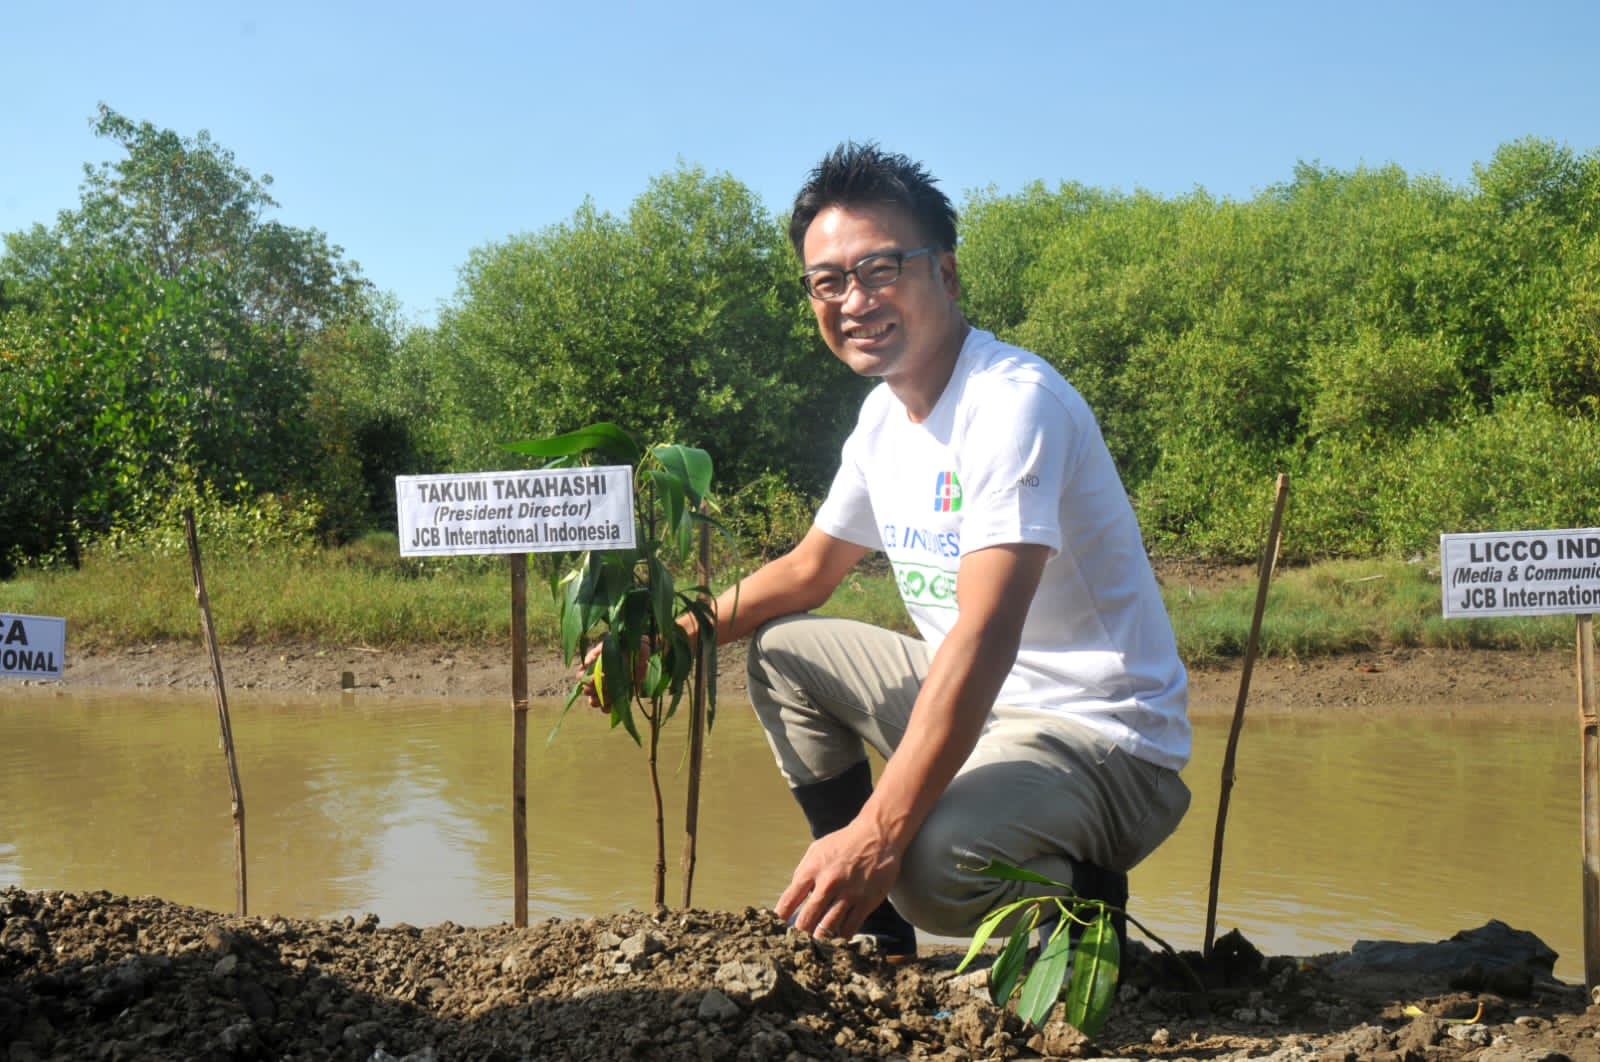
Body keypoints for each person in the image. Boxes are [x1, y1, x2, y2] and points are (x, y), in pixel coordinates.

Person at [592, 142, 1191, 961]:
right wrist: (669, 641)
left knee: (929, 865)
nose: (854, 300)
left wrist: (881, 830)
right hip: (990, 711)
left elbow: (985, 633)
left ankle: (1081, 909)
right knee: (782, 653)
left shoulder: (1011, 404)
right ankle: (873, 937)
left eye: (879, 269)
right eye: (828, 281)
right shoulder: (882, 416)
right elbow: (809, 571)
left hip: (1103, 739)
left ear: (945, 273)